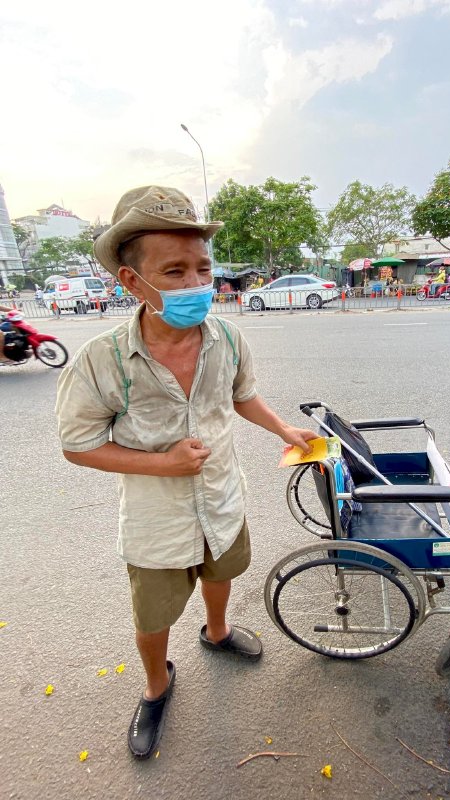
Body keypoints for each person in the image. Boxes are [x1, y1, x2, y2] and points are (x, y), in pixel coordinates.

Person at [55, 186, 315, 760]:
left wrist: (283, 431)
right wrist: (162, 463)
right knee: (153, 613)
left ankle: (216, 633)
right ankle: (156, 686)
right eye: (174, 271)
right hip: (156, 520)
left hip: (222, 498)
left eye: (203, 268)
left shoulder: (226, 337)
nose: (197, 284)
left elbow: (242, 395)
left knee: (222, 568)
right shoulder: (102, 359)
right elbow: (77, 445)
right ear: (131, 281)